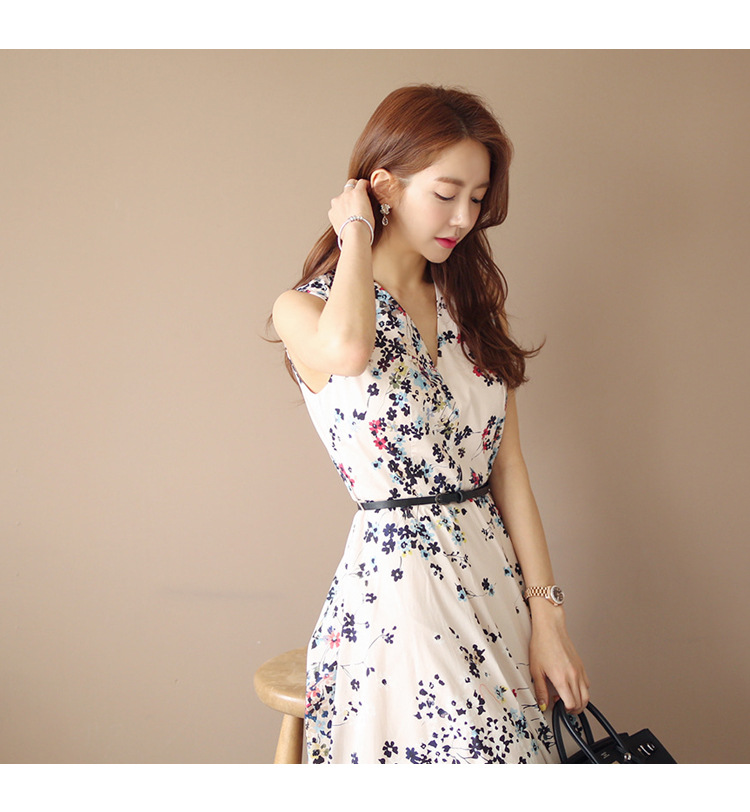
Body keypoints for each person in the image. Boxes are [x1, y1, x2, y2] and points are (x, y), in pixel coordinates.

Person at [272, 84, 589, 764]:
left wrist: (549, 617)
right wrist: (355, 230)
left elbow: (508, 469)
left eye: (477, 198)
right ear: (385, 186)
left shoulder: (469, 309)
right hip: (402, 595)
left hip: (496, 585)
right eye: (446, 194)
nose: (464, 218)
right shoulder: (304, 311)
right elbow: (349, 351)